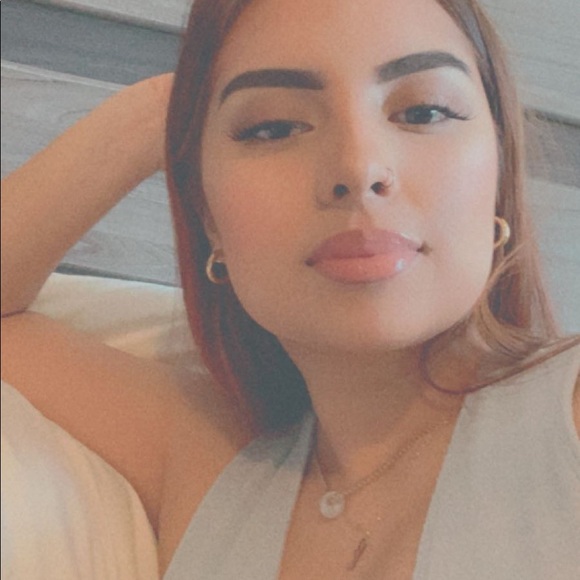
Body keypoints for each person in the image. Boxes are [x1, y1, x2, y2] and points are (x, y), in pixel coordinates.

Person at [2, 0, 579, 577]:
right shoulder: (209, 465)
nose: (358, 167)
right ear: (208, 217)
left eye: (424, 112)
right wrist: (161, 109)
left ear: (499, 172)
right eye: (272, 127)